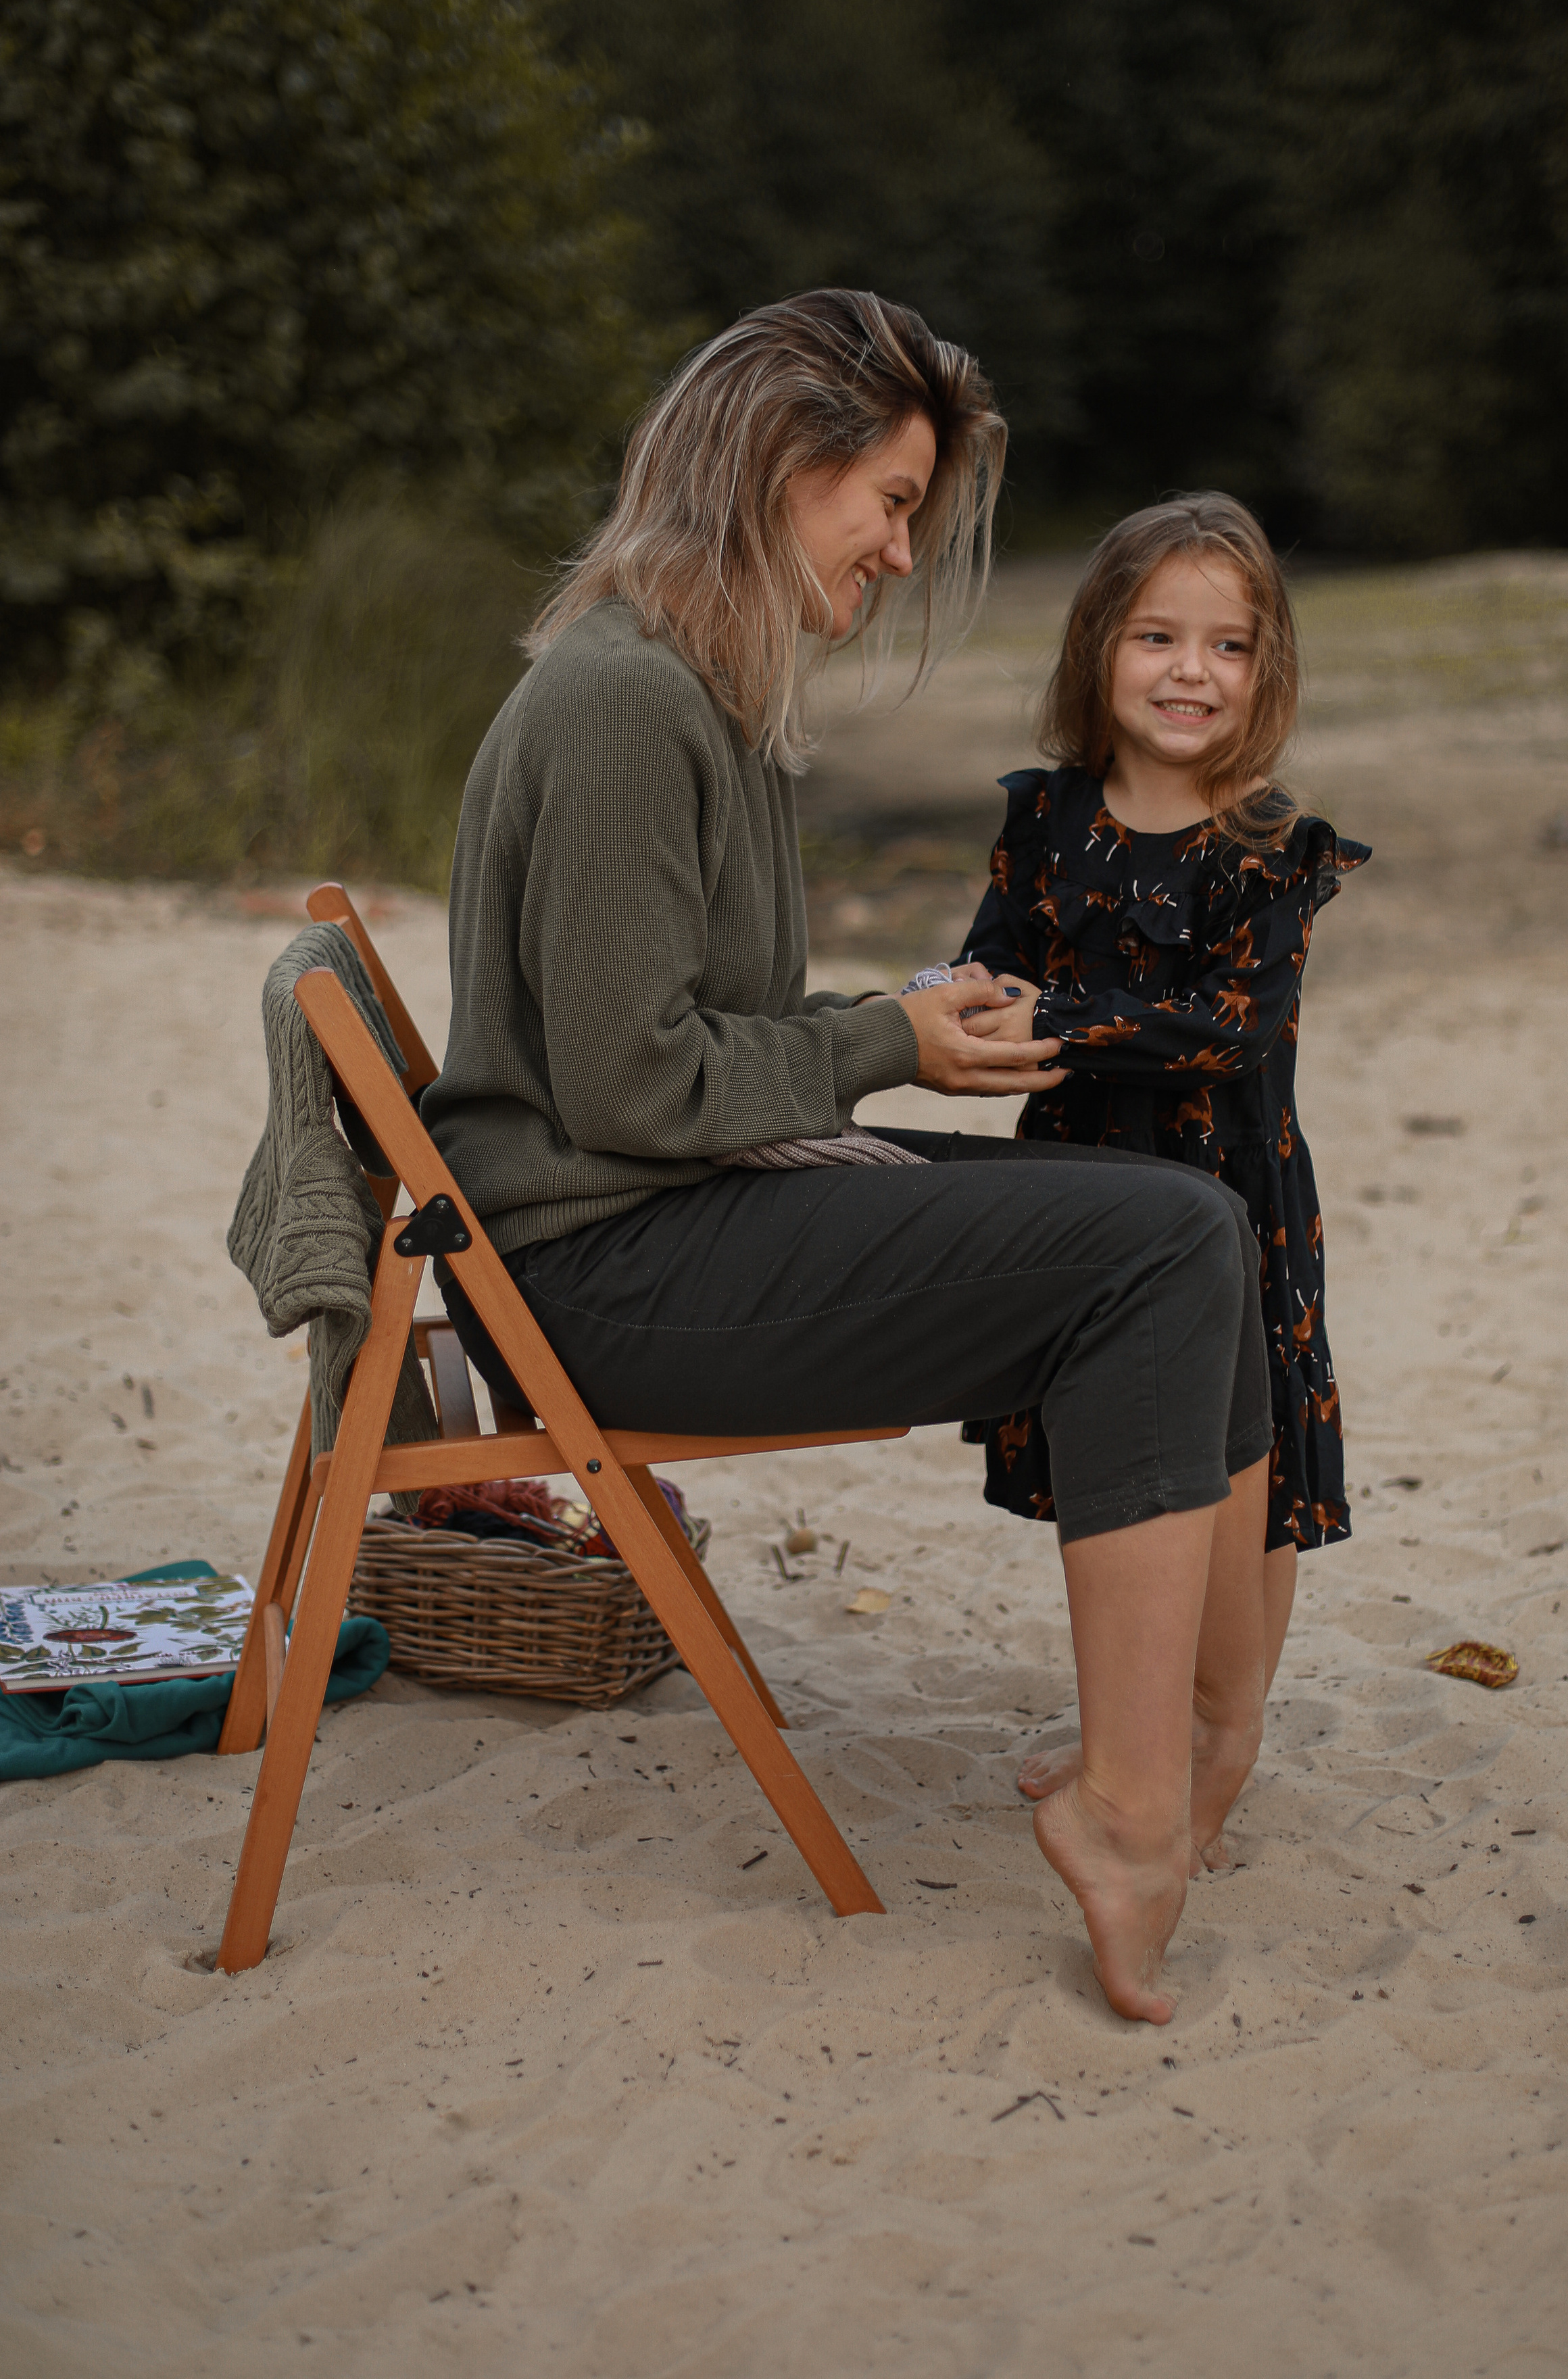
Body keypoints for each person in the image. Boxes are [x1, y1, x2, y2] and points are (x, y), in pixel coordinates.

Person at [422, 293, 1273, 2022]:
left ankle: (1181, 1746)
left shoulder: (685, 697)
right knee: (1157, 1252)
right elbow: (629, 1085)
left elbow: (675, 1033)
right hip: (605, 1270)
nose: (896, 552)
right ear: (773, 468)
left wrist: (895, 1021)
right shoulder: (618, 707)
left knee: (1193, 1215)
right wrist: (885, 1039)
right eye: (886, 502)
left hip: (663, 1218)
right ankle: (1129, 1805)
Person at [945, 495, 1368, 1863]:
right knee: (1124, 1456)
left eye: (1227, 645)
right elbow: (987, 959)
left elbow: (1232, 1029)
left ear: (1264, 672)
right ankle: (1139, 1718)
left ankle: (1220, 1723)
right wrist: (946, 1008)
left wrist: (1057, 1026)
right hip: (1076, 1184)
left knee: (1240, 1455)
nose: (1190, 671)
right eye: (1155, 637)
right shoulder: (1043, 818)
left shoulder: (1264, 851)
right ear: (1095, 652)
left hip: (1226, 1193)